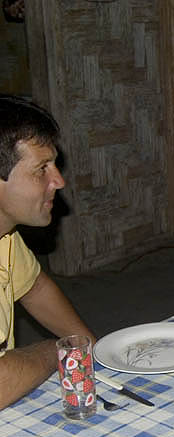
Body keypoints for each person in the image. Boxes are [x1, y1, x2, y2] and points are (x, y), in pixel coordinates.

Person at [0, 95, 94, 410]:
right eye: (42, 168)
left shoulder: (6, 236)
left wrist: (89, 347)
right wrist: (59, 350)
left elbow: (35, 287)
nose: (59, 180)